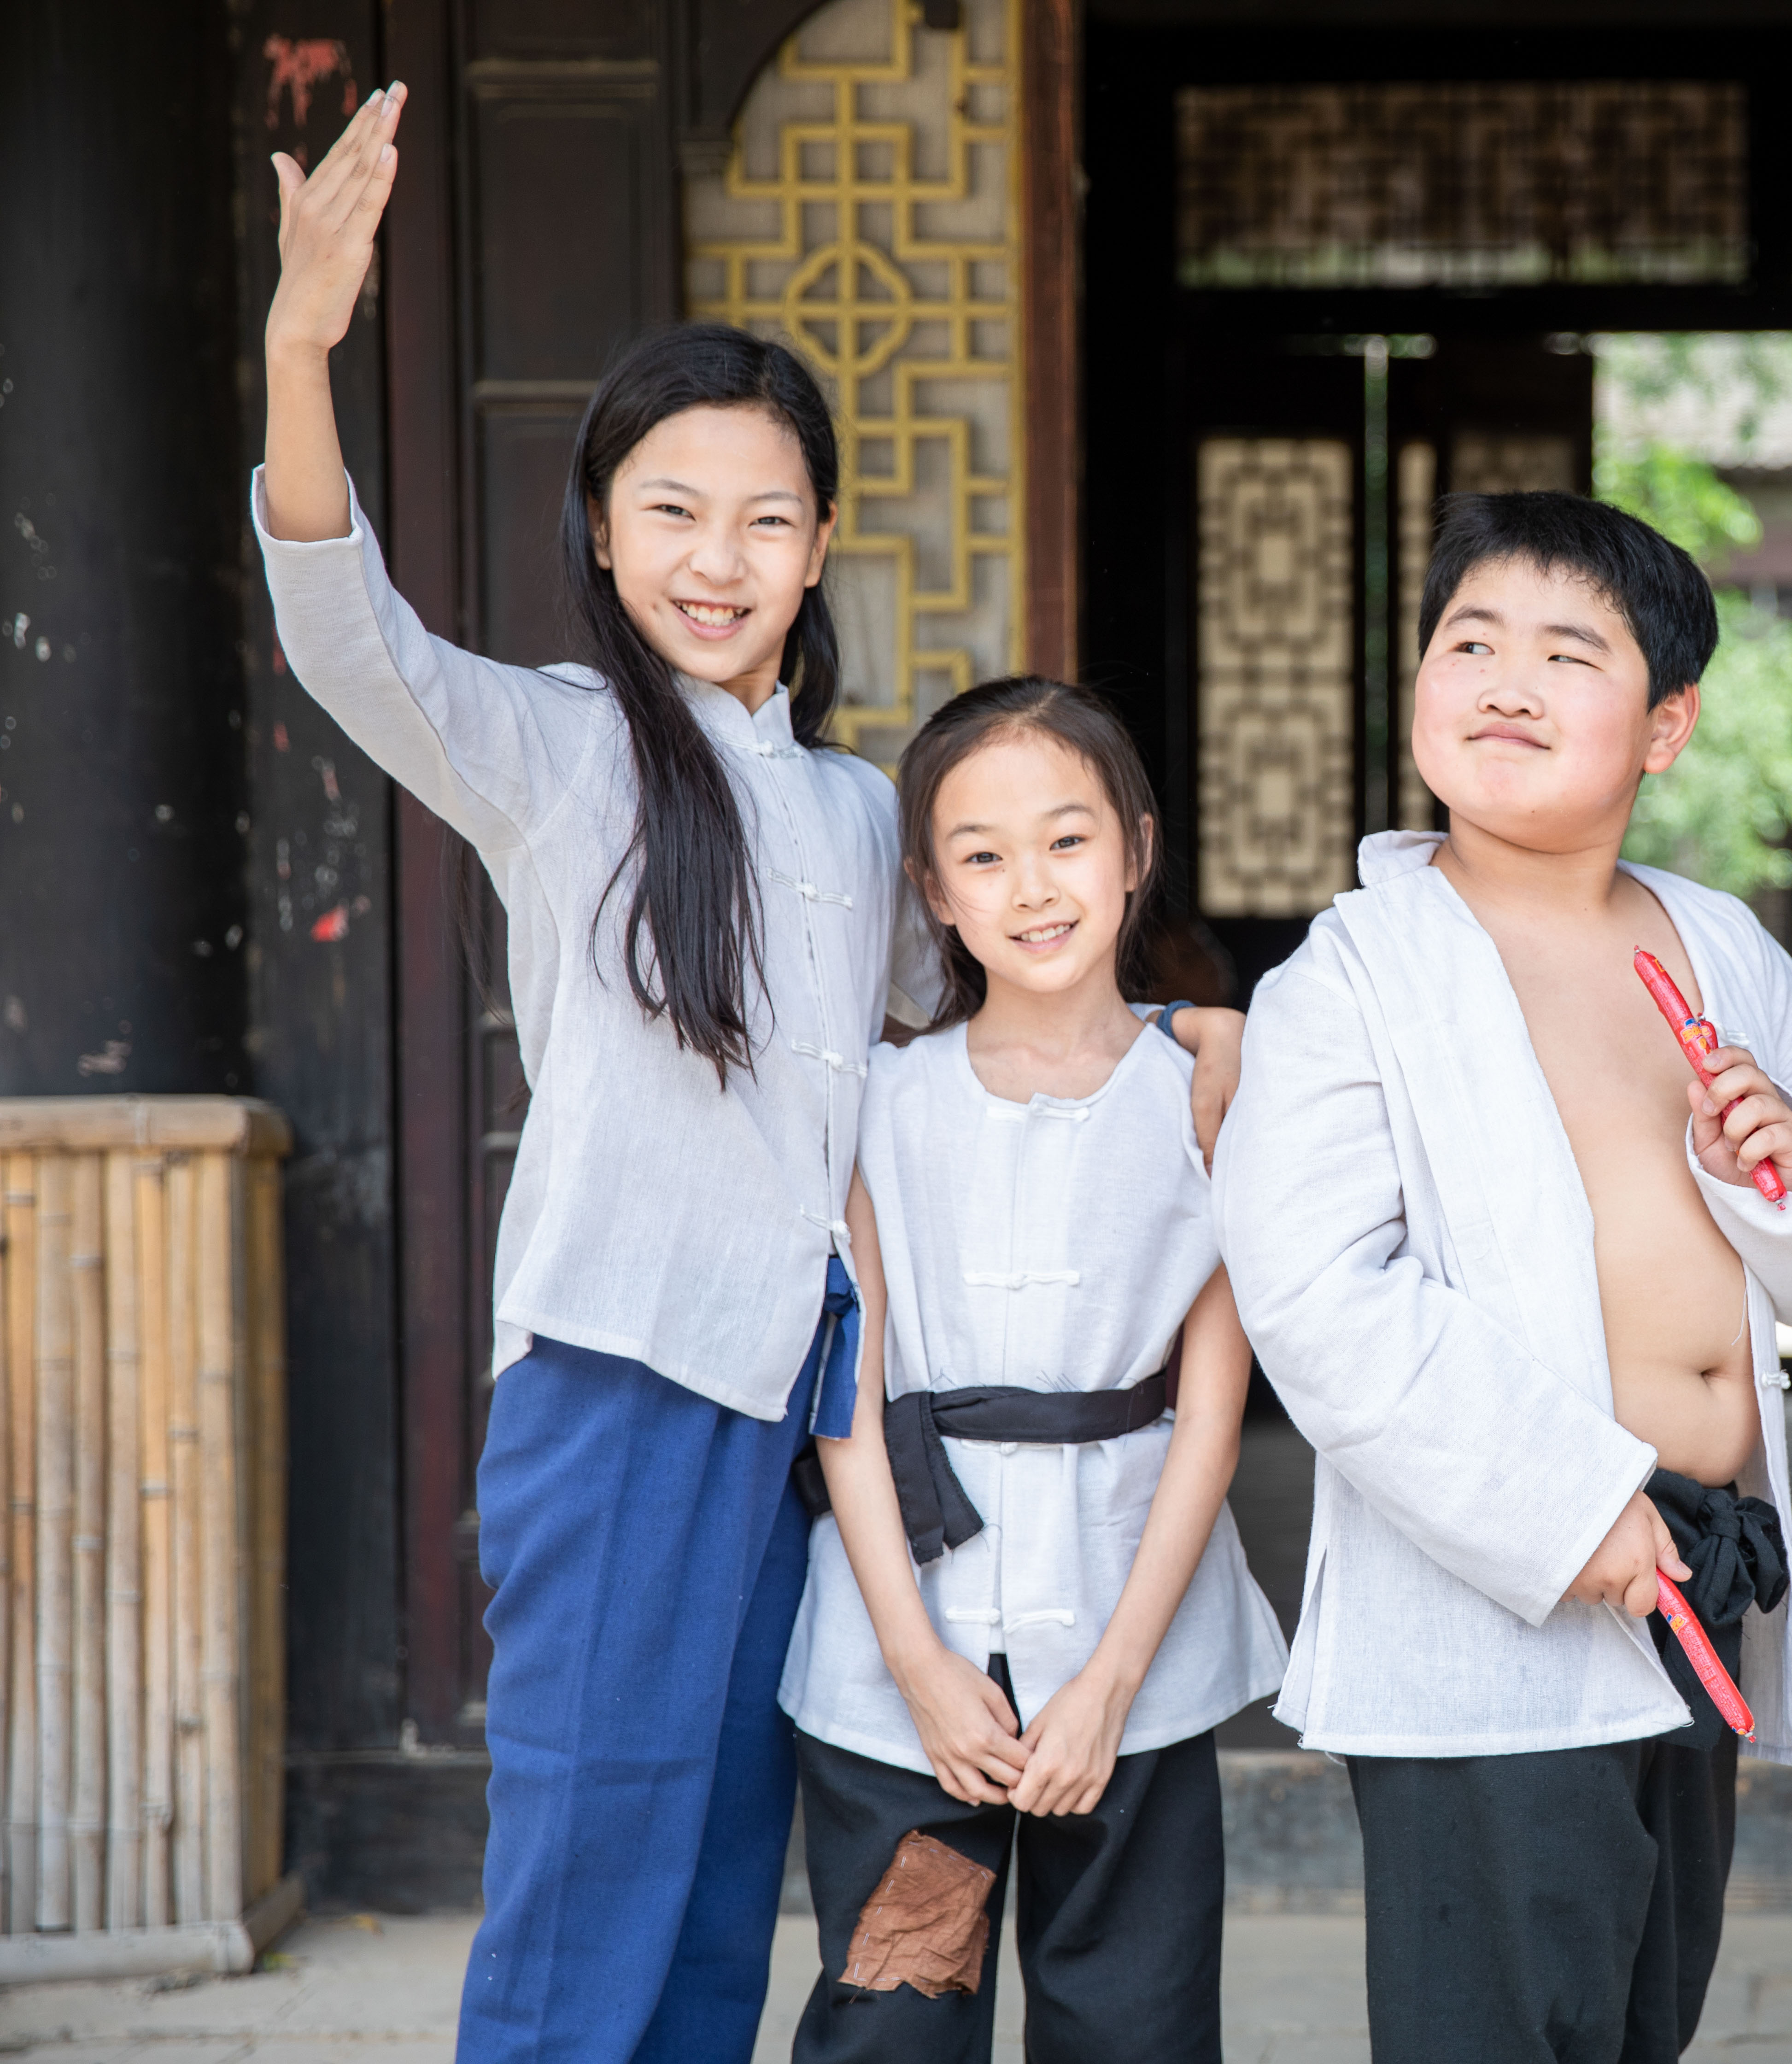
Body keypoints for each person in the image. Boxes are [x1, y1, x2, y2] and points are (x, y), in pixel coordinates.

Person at [255, 91, 1240, 2059]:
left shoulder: (870, 807)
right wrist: (300, 347)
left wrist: (1185, 1032)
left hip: (807, 1409)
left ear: (817, 551)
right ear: (605, 535)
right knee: (587, 1890)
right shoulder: (553, 752)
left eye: (766, 517)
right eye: (674, 513)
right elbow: (347, 638)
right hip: (622, 1390)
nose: (720, 559)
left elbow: (909, 1061)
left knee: (721, 1887)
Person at [1211, 492, 1792, 2063]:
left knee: (1639, 2019)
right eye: (1470, 642)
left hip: (1700, 1585)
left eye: (1565, 652)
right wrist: (1568, 1510)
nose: (1505, 683)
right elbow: (1320, 1301)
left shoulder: (1722, 944)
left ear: (1665, 727)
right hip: (1511, 1588)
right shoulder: (1355, 974)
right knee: (1506, 2033)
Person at [779, 678, 1283, 2061]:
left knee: (1134, 2027)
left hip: (1135, 1656)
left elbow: (1210, 1421)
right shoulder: (879, 1104)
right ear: (932, 891)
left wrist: (1116, 1681)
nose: (1033, 887)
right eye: (982, 855)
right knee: (899, 2016)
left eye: (1067, 841)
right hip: (904, 1671)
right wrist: (917, 1664)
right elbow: (851, 1401)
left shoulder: (1214, 1101)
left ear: (1135, 848)